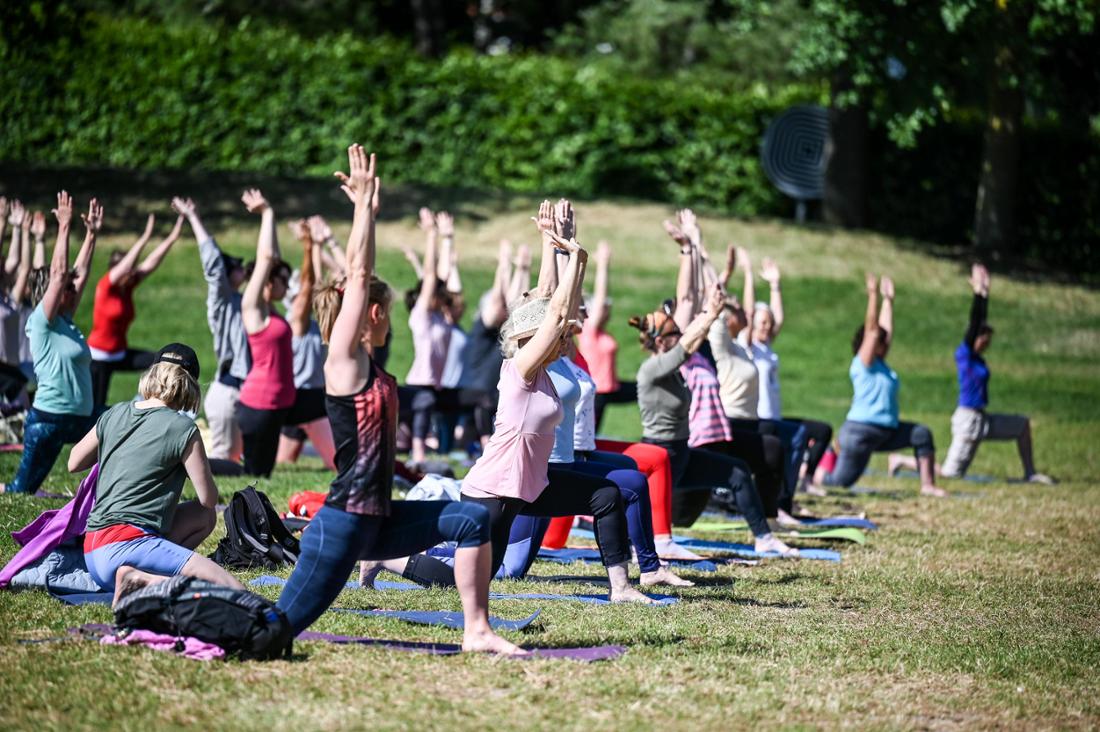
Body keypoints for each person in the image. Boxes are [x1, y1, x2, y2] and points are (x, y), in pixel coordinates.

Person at [275, 145, 522, 654]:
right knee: (268, 633)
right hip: (341, 524)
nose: (388, 315)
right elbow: (360, 275)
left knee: (472, 519)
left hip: (381, 521)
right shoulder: (343, 362)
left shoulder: (375, 363)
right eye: (382, 309)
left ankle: (477, 630)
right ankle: (157, 596)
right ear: (368, 313)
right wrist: (364, 206)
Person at [362, 200, 658, 602]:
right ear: (528, 340)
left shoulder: (553, 371)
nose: (564, 335)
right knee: (471, 580)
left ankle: (621, 588)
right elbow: (552, 314)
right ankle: (385, 559)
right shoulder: (520, 370)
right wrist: (578, 260)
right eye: (551, 334)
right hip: (495, 491)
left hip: (534, 484)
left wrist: (557, 245)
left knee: (606, 495)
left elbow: (553, 303)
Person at [631, 276, 798, 556]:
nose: (681, 338)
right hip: (661, 457)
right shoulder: (653, 370)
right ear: (660, 341)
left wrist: (711, 309)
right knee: (657, 517)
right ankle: (637, 549)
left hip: (682, 452)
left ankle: (764, 537)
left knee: (738, 472)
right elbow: (687, 344)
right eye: (675, 334)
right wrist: (710, 314)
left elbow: (687, 331)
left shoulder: (673, 365)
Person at [67, 344, 245, 605]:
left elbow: (73, 462)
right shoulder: (182, 428)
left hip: (93, 550)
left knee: (199, 517)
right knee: (231, 587)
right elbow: (208, 499)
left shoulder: (115, 413)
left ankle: (141, 574)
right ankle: (148, 580)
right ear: (189, 386)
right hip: (128, 544)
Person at [899, 264, 1054, 484]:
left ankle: (1030, 472)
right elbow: (975, 322)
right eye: (984, 338)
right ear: (975, 338)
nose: (987, 343)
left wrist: (985, 293)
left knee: (1022, 425)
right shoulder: (965, 354)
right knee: (950, 474)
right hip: (968, 420)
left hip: (983, 418)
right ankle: (902, 461)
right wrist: (979, 295)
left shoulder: (978, 360)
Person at [3, 193, 102, 495]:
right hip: (48, 421)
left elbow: (77, 274)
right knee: (21, 489)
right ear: (51, 291)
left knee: (121, 425)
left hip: (80, 418)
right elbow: (60, 274)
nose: (74, 288)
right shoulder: (42, 321)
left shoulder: (66, 322)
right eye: (67, 287)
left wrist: (92, 235)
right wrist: (64, 226)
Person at [814, 274, 948, 497]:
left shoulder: (882, 366)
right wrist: (874, 295)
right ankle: (813, 469)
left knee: (921, 434)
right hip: (860, 434)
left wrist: (889, 301)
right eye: (879, 342)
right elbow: (874, 331)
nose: (885, 344)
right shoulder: (862, 364)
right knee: (839, 483)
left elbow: (884, 331)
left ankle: (928, 485)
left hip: (887, 431)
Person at [172, 197, 250, 469]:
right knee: (226, 463)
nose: (244, 269)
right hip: (229, 391)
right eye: (238, 266)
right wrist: (194, 217)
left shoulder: (246, 301)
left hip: (243, 392)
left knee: (240, 463)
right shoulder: (223, 302)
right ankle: (179, 468)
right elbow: (214, 266)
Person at [745, 258, 834, 489]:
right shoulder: (748, 348)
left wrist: (775, 285)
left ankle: (804, 479)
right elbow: (754, 315)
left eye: (768, 323)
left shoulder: (766, 348)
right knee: (791, 444)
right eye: (762, 322)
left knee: (819, 431)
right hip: (761, 418)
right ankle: (785, 495)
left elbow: (779, 319)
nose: (767, 326)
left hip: (775, 417)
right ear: (752, 324)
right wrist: (748, 275)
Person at [87, 213, 184, 408]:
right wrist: (145, 237)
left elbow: (150, 263)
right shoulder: (106, 286)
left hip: (120, 353)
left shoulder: (127, 286)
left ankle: (141, 405)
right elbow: (126, 266)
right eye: (127, 269)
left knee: (158, 362)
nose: (132, 273)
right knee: (96, 408)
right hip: (99, 356)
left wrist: (172, 238)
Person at [236, 189, 295, 477]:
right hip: (258, 403)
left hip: (276, 405)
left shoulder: (272, 310)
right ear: (268, 282)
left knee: (263, 476)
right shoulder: (253, 307)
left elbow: (275, 259)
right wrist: (268, 213)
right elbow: (268, 257)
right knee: (253, 475)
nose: (287, 281)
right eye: (282, 279)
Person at [275, 219, 335, 470]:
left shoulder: (313, 322)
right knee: (283, 464)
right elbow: (310, 285)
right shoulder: (295, 321)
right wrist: (308, 247)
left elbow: (317, 285)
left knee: (333, 462)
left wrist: (318, 245)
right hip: (300, 397)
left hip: (314, 398)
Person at [403, 208, 452, 464]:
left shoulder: (439, 316)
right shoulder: (420, 315)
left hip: (437, 385)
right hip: (420, 383)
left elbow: (440, 277)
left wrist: (448, 239)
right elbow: (432, 276)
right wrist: (431, 235)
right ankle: (418, 451)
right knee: (423, 403)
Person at [578, 241, 636, 432]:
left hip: (612, 388)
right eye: (603, 309)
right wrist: (603, 265)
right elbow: (601, 301)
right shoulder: (588, 328)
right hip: (596, 393)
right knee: (590, 438)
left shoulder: (602, 332)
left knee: (648, 388)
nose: (607, 312)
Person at [0, 199, 33, 403]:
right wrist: (2, 221)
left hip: (13, 371)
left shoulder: (10, 300)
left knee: (19, 427)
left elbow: (23, 266)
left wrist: (21, 230)